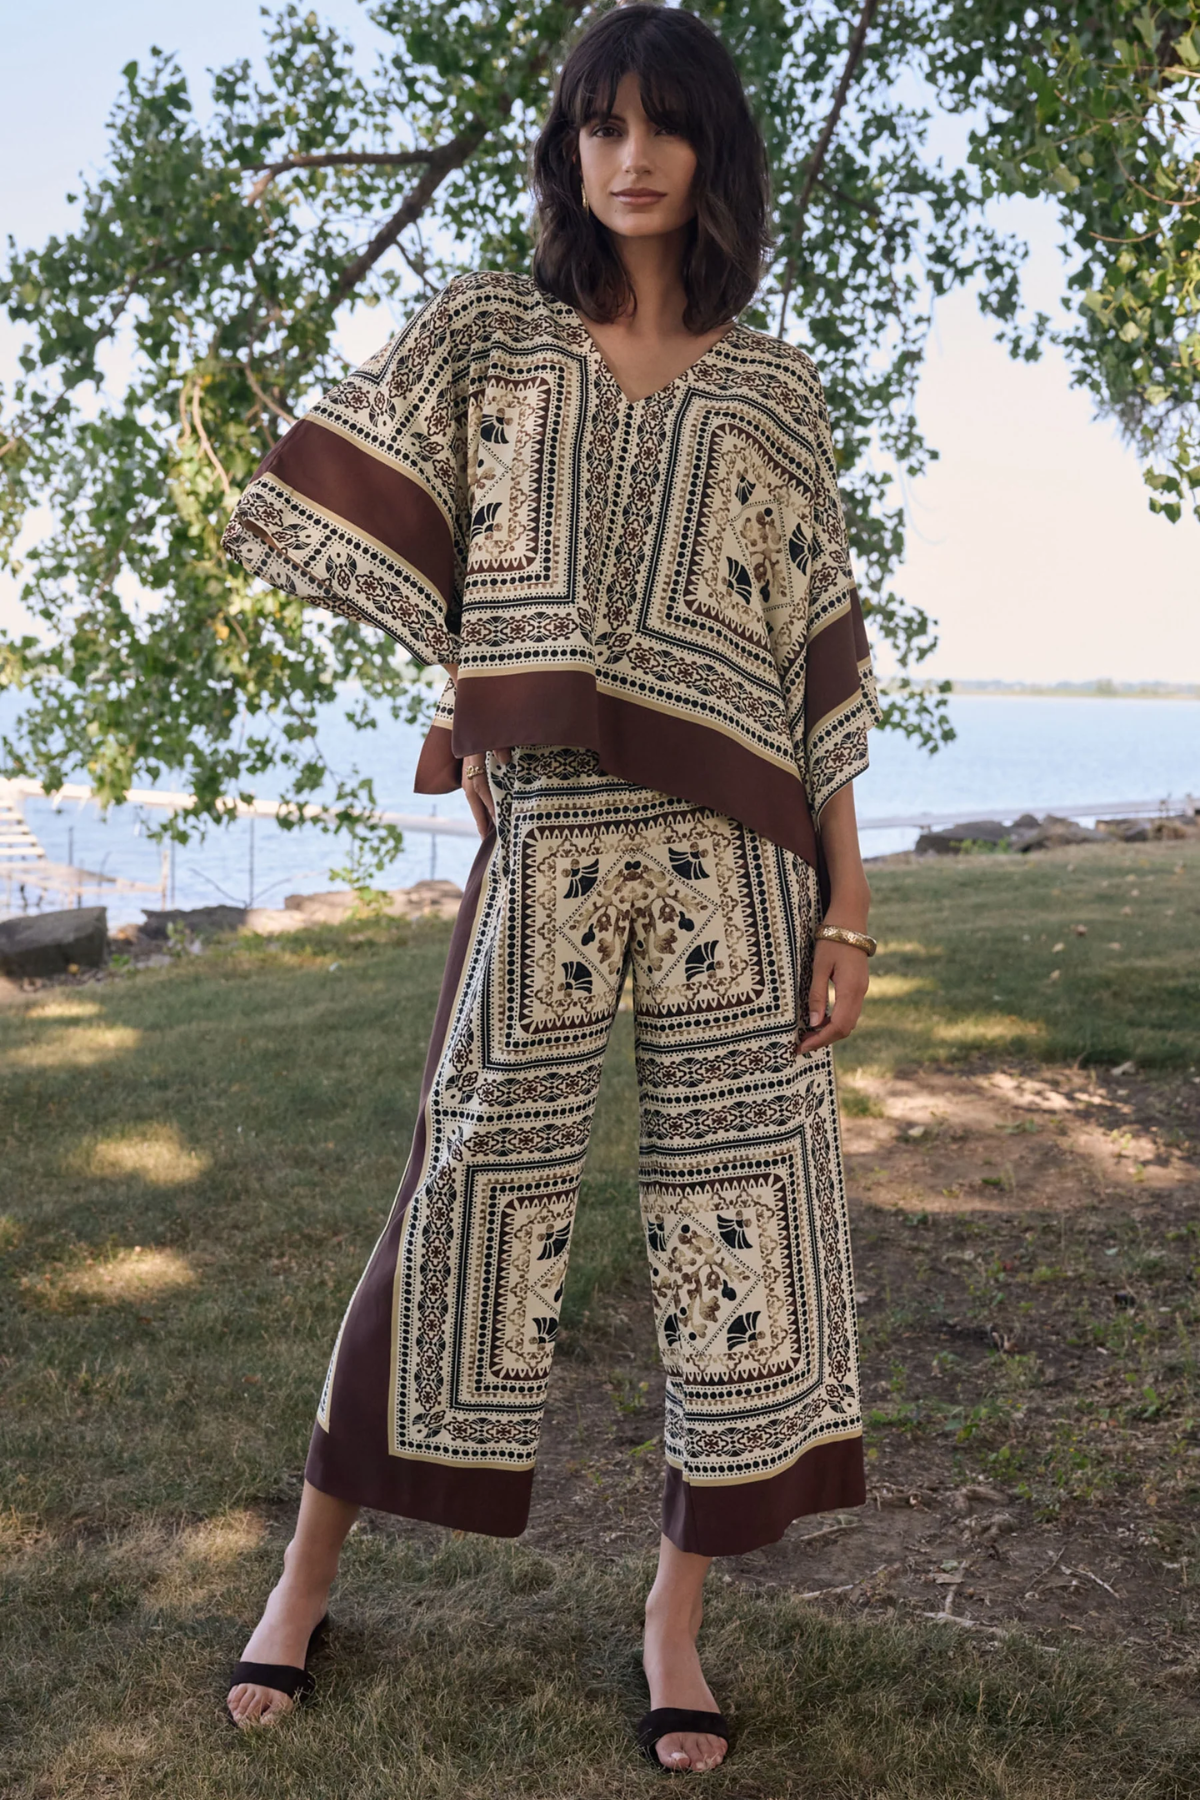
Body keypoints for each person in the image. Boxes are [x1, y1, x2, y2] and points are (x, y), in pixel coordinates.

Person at [220, 2, 879, 1774]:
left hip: (742, 862)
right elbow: (386, 501)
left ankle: (672, 1621)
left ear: (711, 149)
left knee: (739, 1221)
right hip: (557, 845)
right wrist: (475, 676)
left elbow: (819, 662)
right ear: (569, 149)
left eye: (664, 125)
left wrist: (851, 902)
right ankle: (300, 1581)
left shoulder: (775, 383)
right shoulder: (493, 330)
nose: (632, 156)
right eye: (601, 125)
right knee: (465, 1187)